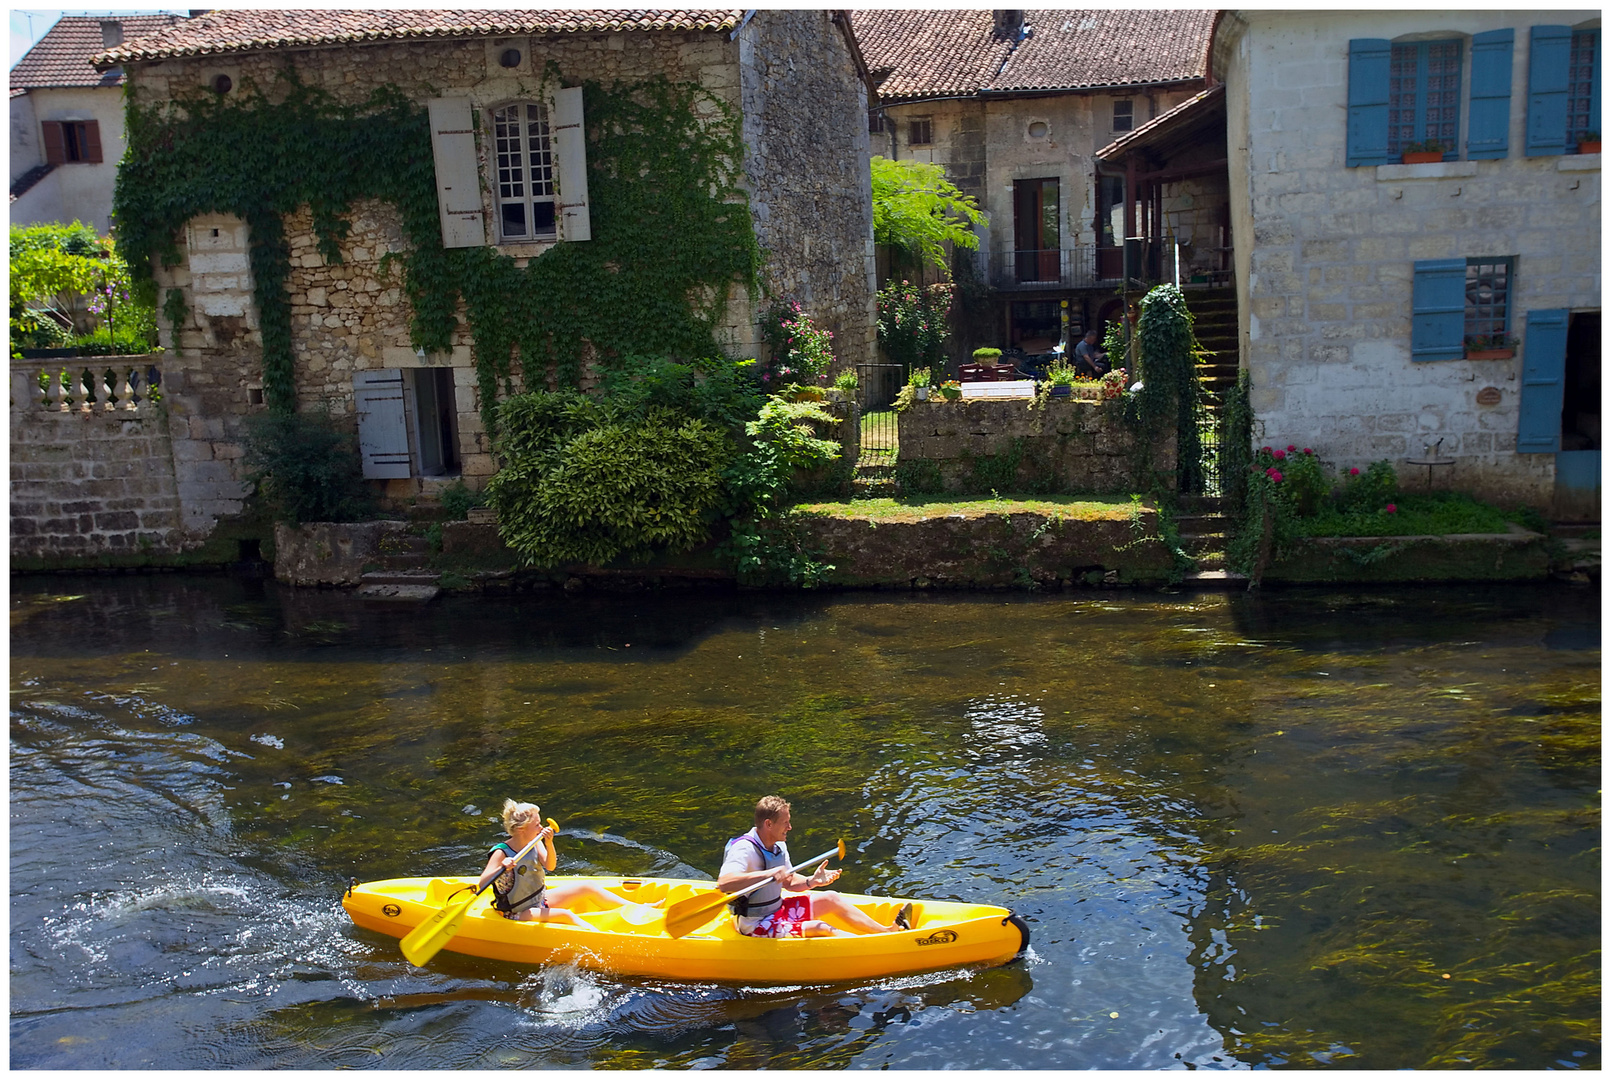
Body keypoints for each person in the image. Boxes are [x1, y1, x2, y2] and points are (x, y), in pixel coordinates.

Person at [717, 795, 911, 938]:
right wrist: (768, 873)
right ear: (768, 824)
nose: (790, 827)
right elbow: (725, 883)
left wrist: (812, 881)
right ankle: (875, 948)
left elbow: (790, 881)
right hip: (756, 925)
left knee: (831, 898)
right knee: (821, 927)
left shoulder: (779, 845)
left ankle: (887, 932)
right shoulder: (744, 849)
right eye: (785, 823)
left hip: (778, 910)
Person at [479, 799, 662, 927]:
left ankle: (639, 909)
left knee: (587, 886)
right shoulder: (502, 852)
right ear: (521, 829)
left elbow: (550, 866)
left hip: (539, 901)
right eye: (537, 825)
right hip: (517, 912)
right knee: (566, 915)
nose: (541, 828)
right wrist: (503, 866)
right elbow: (482, 882)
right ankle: (597, 936)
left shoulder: (533, 843)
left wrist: (549, 843)